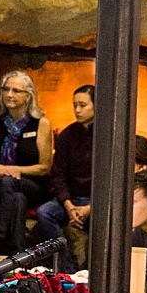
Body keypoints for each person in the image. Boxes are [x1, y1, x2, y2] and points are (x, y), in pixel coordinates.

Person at [0, 70, 54, 252]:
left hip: (33, 185)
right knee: (18, 199)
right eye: (6, 89)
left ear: (28, 96)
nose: (9, 95)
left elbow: (45, 168)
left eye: (16, 91)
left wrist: (8, 169)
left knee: (8, 182)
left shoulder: (41, 124)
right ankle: (17, 254)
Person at [34, 84, 97, 267]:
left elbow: (110, 182)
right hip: (71, 199)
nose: (77, 110)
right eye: (74, 105)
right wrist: (68, 205)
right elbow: (58, 175)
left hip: (97, 202)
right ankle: (66, 268)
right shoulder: (67, 135)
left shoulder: (107, 135)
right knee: (45, 212)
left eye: (82, 105)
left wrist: (90, 208)